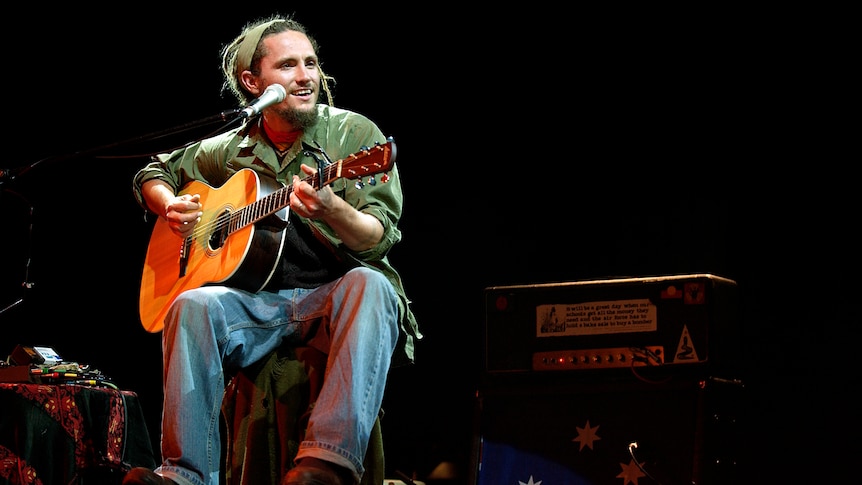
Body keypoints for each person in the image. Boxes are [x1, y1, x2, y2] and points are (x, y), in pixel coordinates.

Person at [122, 14, 419, 485]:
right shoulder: (231, 147)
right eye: (287, 66)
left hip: (331, 299)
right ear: (253, 82)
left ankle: (326, 464)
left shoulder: (354, 136)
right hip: (258, 307)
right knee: (192, 304)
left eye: (311, 63)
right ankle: (183, 474)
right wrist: (169, 204)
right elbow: (154, 172)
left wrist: (331, 210)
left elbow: (377, 236)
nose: (305, 77)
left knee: (372, 284)